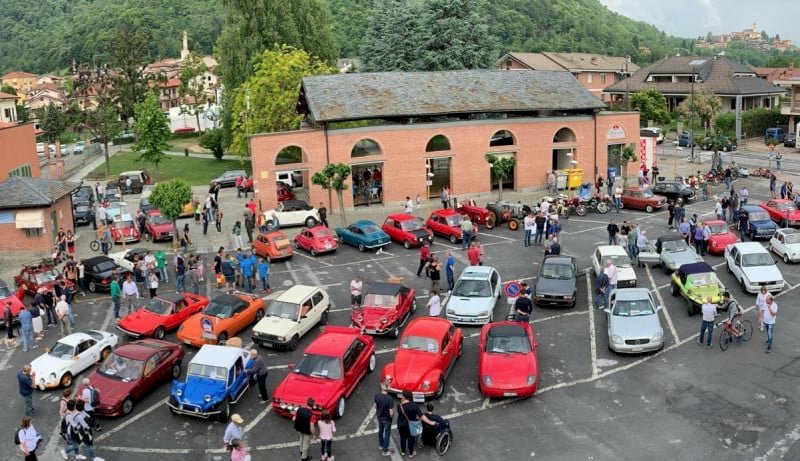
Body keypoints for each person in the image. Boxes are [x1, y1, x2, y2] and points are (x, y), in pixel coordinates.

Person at [396, 390, 420, 458]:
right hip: (410, 425)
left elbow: (399, 413)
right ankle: (411, 453)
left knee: (402, 438)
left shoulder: (399, 405)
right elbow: (419, 415)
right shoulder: (415, 406)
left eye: (402, 395)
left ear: (404, 397)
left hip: (401, 424)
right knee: (410, 439)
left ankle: (403, 451)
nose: (401, 397)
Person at [374, 382, 395, 456]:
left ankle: (381, 445)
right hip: (387, 418)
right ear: (388, 388)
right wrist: (392, 415)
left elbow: (375, 406)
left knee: (380, 430)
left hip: (379, 417)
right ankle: (385, 450)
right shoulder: (390, 399)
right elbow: (391, 412)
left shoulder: (377, 395)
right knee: (387, 433)